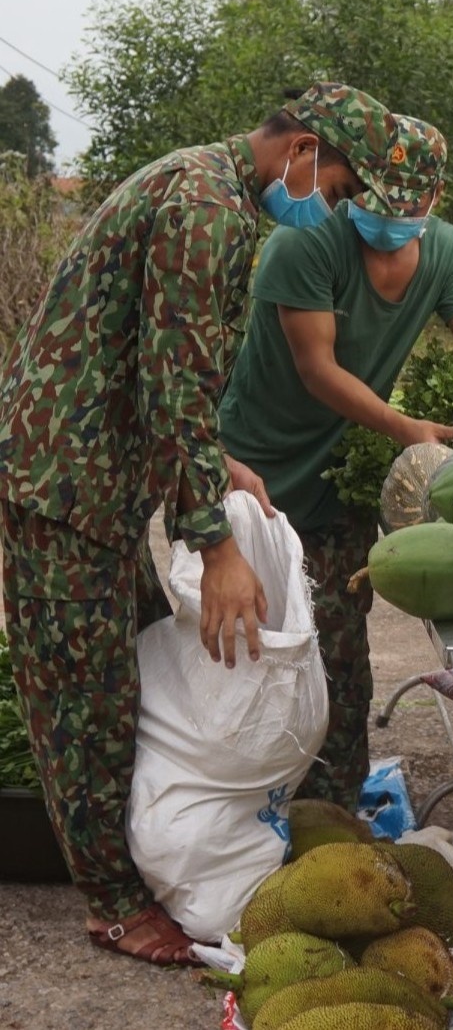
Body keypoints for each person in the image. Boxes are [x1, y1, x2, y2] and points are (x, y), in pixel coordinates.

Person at [0, 82, 401, 966]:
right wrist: (213, 546)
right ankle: (112, 903)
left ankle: (143, 859)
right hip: (62, 483)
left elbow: (153, 357)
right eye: (333, 185)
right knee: (83, 700)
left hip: (96, 475)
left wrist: (215, 462)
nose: (328, 205)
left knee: (134, 669)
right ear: (300, 148)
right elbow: (170, 379)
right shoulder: (205, 211)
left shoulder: (200, 188)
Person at [219, 116, 453, 813]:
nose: (386, 217)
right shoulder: (305, 241)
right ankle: (238, 799)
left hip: (340, 473)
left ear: (435, 195)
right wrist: (406, 427)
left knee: (336, 641)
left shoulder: (447, 251)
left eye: (405, 205)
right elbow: (317, 367)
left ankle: (331, 804)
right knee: (251, 639)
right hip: (256, 466)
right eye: (375, 200)